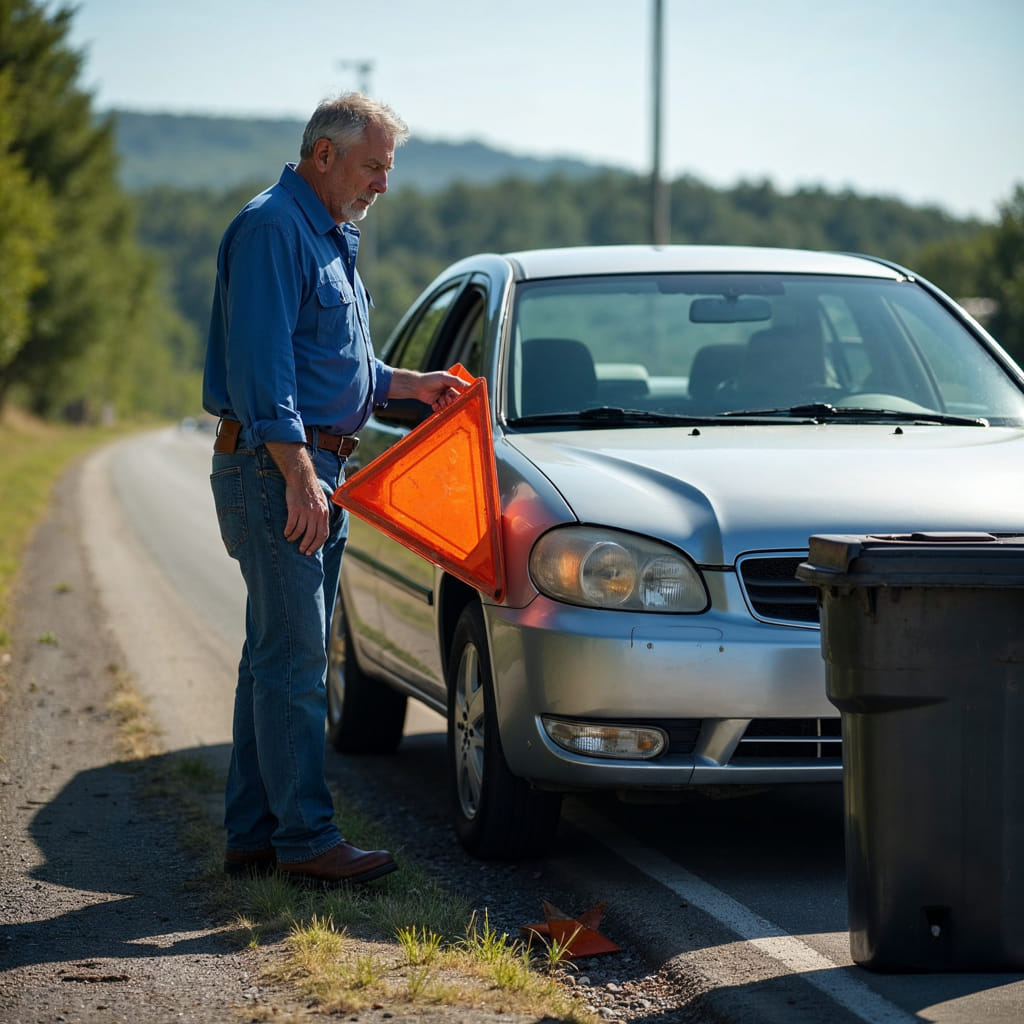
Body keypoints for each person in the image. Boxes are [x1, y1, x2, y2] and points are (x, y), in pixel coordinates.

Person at [202, 93, 465, 888]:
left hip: (316, 467)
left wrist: (410, 384)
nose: (383, 183)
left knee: (273, 659)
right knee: (297, 662)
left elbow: (336, 365)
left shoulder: (330, 234)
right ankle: (307, 841)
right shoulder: (274, 228)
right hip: (279, 470)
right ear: (324, 154)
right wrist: (299, 478)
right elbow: (263, 373)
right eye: (374, 165)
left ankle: (254, 835)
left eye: (389, 168)